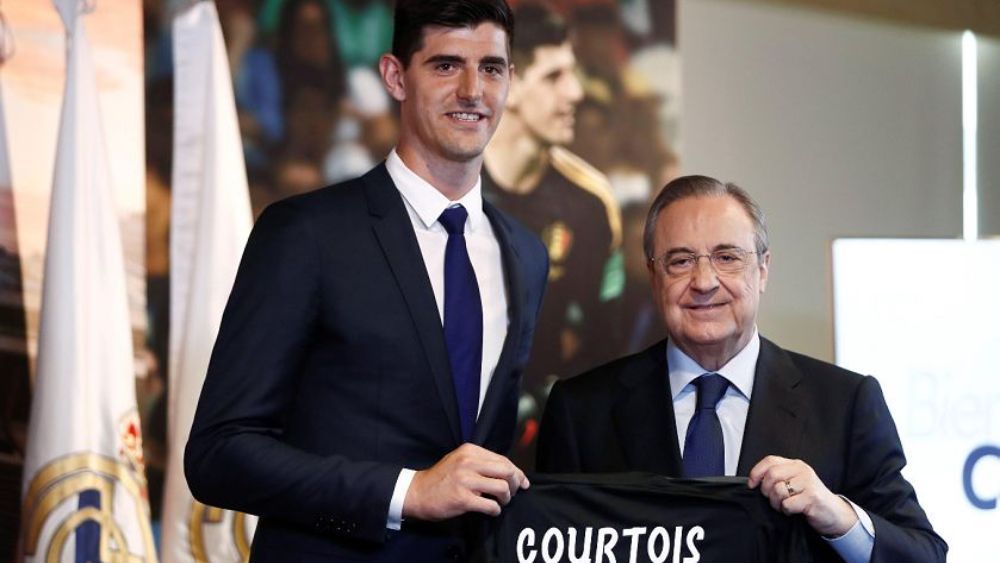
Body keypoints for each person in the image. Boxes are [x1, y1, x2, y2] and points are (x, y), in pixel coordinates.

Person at [184, 2, 549, 562]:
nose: (473, 90)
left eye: (492, 68)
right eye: (447, 65)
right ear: (395, 76)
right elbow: (219, 454)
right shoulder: (306, 233)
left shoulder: (525, 255)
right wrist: (407, 492)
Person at [536, 175, 946, 562]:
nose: (704, 281)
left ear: (763, 269)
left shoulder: (845, 404)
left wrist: (838, 516)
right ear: (653, 276)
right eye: (680, 261)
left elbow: (923, 554)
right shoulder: (581, 411)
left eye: (727, 257)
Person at [482, 3, 622, 460]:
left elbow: (604, 341)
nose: (576, 92)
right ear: (510, 84)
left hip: (547, 446)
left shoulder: (592, 202)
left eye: (573, 74)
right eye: (554, 76)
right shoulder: (444, 191)